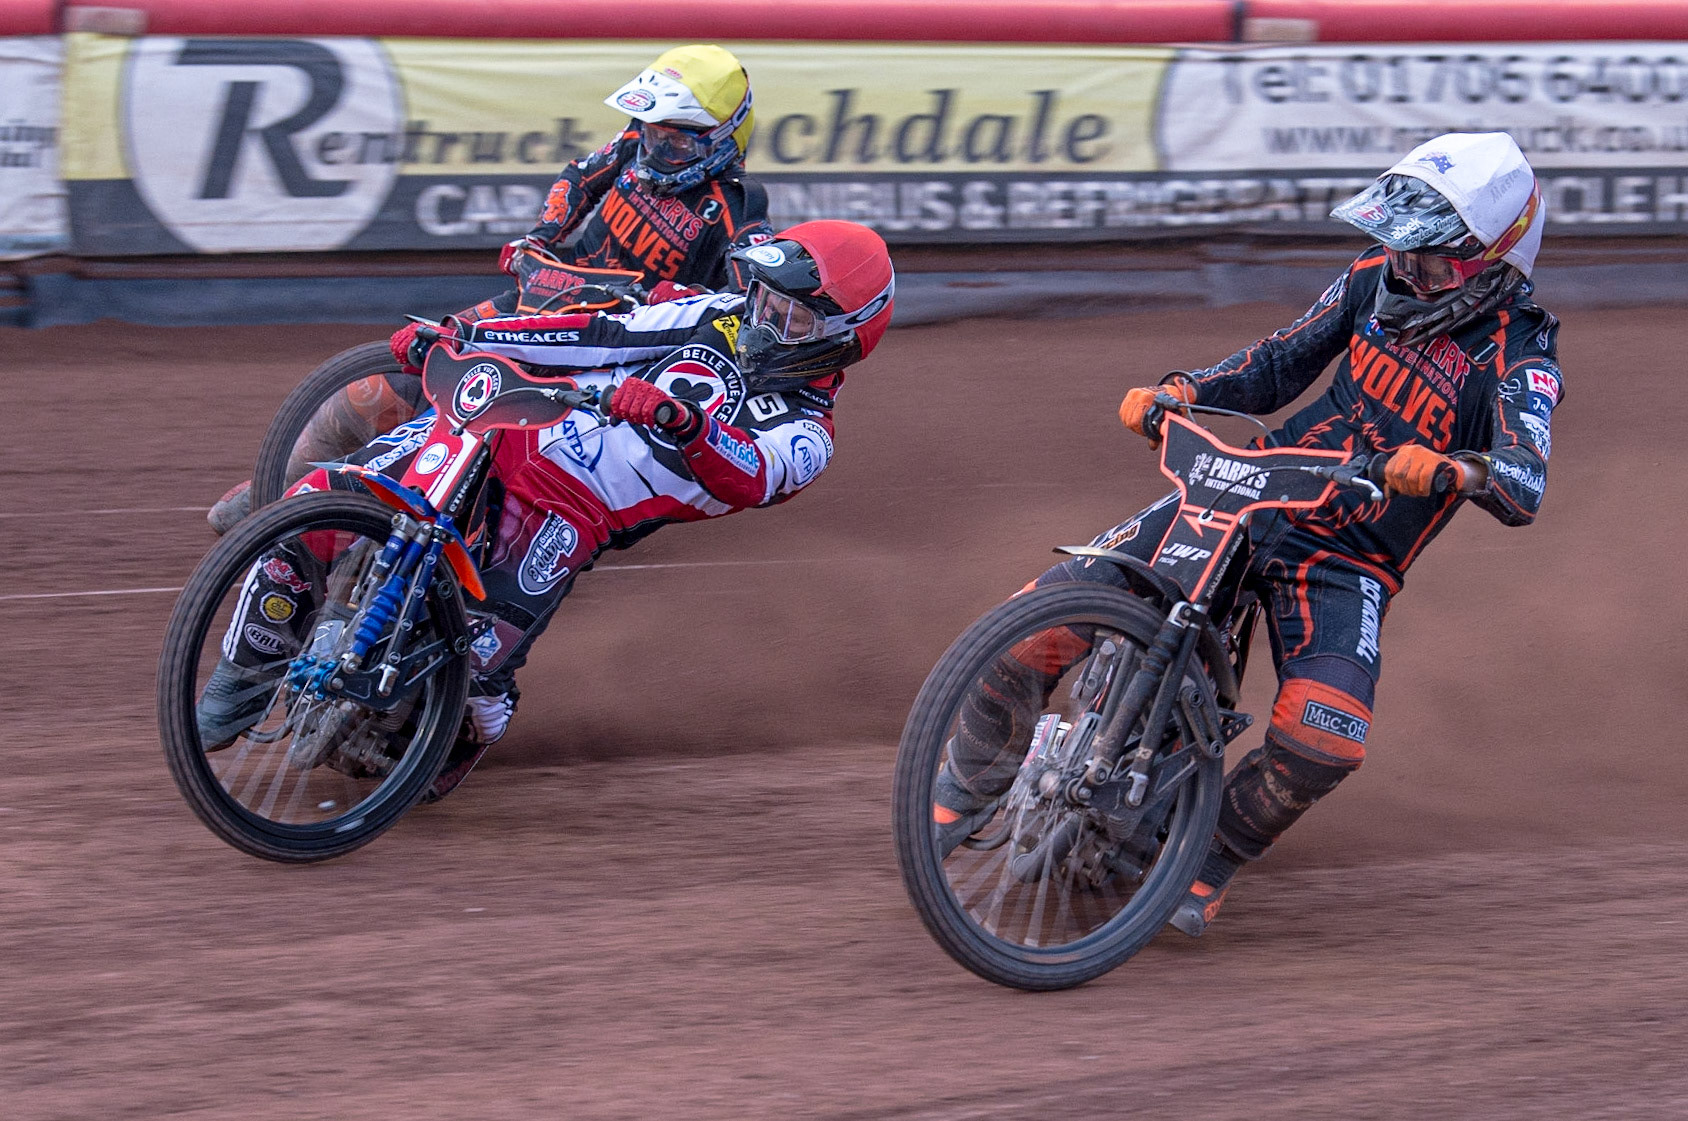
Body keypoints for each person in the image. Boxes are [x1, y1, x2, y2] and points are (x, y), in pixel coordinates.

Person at [932, 132, 1560, 936]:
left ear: (1495, 264)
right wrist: (1183, 390)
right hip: (1251, 488)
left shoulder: (1522, 355)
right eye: (1402, 250)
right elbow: (1278, 363)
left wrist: (1456, 470)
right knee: (1032, 622)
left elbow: (1525, 481)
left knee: (1326, 736)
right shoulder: (1372, 277)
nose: (1407, 272)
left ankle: (1212, 854)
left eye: (1431, 263)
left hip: (1347, 556)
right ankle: (969, 777)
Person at [196, 220, 895, 801]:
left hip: (574, 511)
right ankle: (243, 675)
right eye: (764, 295)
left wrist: (685, 424)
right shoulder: (717, 315)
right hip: (512, 418)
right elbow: (604, 334)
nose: (764, 316)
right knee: (318, 503)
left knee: (480, 672)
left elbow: (751, 474)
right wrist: (464, 335)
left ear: (844, 334)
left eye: (792, 314)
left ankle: (452, 739)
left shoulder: (808, 434)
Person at [206, 43, 772, 534]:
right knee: (394, 378)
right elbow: (579, 176)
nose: (656, 150)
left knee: (477, 430)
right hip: (548, 294)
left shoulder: (738, 206)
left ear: (722, 140)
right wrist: (541, 237)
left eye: (675, 143)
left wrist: (686, 301)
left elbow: (749, 304)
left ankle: (401, 534)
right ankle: (277, 490)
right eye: (651, 133)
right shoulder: (637, 142)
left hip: (607, 346)